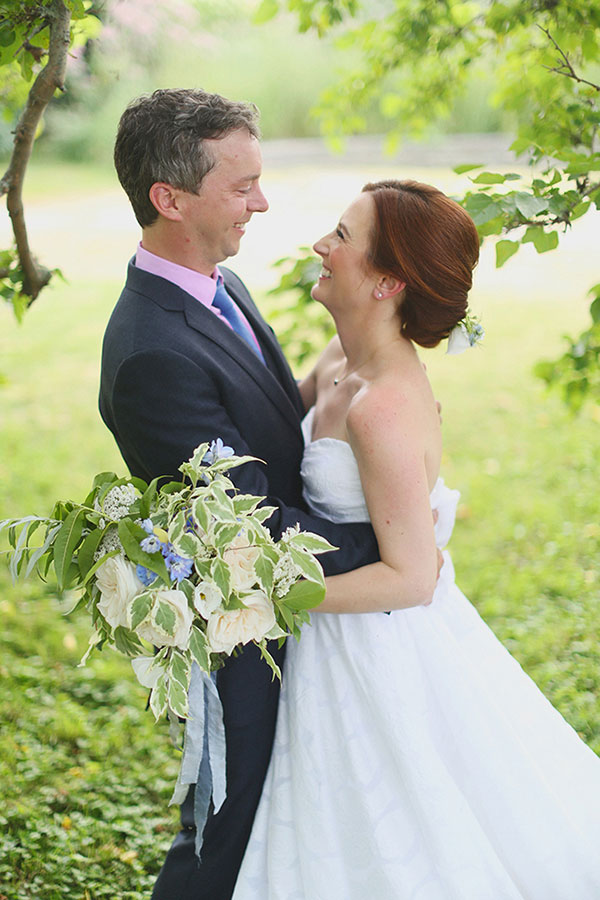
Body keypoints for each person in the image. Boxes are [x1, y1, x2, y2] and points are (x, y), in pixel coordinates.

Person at [232, 180, 600, 899]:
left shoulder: (385, 408)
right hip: (332, 631)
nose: (320, 246)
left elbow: (412, 577)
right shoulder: (338, 364)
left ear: (387, 282)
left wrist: (268, 594)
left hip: (377, 641)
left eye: (341, 237)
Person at [98, 88, 380, 900]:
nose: (261, 202)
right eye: (241, 186)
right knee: (227, 824)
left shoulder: (212, 282)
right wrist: (389, 543)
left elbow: (261, 415)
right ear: (170, 199)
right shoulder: (153, 352)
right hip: (241, 643)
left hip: (295, 614)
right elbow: (245, 531)